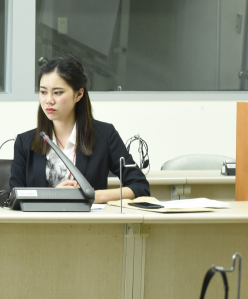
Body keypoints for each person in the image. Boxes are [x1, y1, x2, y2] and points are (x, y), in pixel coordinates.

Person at [9, 57, 149, 202]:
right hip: (41, 218)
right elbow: (13, 196)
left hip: (88, 217)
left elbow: (140, 186)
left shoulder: (105, 135)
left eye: (57, 92)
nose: (48, 100)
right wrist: (53, 195)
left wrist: (92, 195)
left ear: (78, 94)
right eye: (43, 92)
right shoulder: (24, 142)